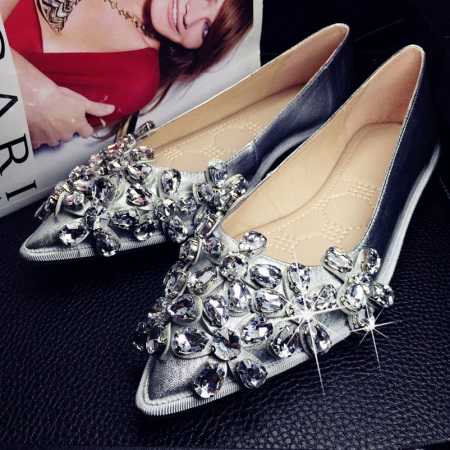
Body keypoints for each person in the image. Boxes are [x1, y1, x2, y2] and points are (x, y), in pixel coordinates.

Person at [1, 0, 252, 148]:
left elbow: (12, 132)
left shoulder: (133, 79)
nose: (191, 17)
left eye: (206, 29)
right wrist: (33, 90)